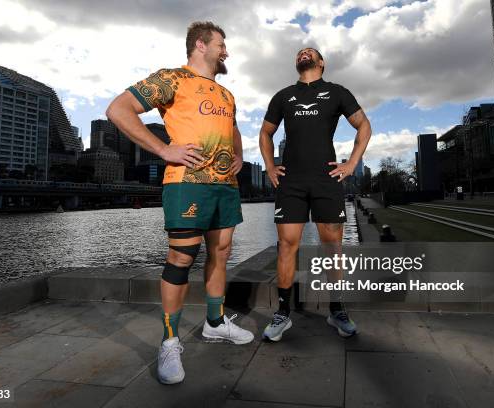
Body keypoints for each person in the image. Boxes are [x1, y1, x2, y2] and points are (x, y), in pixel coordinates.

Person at [106, 21, 253, 385]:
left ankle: (215, 324)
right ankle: (169, 341)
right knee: (181, 258)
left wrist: (239, 155)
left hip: (226, 187)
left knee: (221, 253)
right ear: (201, 45)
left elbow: (233, 130)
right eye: (222, 44)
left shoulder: (226, 95)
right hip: (187, 185)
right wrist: (162, 149)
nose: (226, 51)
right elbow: (119, 109)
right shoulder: (172, 79)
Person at [258, 47, 372, 341]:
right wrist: (270, 167)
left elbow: (363, 126)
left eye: (310, 52)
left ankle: (337, 310)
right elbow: (265, 132)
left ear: (321, 63)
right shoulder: (283, 96)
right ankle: (283, 312)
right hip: (291, 182)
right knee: (287, 245)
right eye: (299, 52)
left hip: (326, 180)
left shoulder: (337, 92)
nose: (303, 54)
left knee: (333, 247)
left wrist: (352, 163)